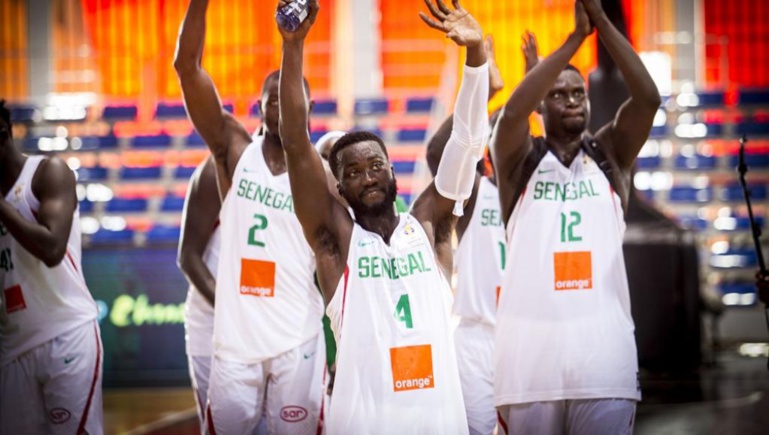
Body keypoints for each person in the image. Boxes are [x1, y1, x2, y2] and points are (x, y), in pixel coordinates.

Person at [277, 0, 488, 432]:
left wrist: (476, 58)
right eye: (352, 172)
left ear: (392, 170)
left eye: (375, 165)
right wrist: (293, 46)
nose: (368, 176)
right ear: (338, 188)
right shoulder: (336, 242)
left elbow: (467, 143)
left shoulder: (428, 224)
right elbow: (295, 142)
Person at [491, 0, 661, 433]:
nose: (570, 100)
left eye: (578, 92)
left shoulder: (609, 154)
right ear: (540, 106)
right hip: (530, 368)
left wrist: (600, 22)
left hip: (605, 363)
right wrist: (574, 40)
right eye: (557, 93)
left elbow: (648, 99)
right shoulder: (518, 160)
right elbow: (512, 114)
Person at [174, 1, 325, 433]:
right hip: (238, 338)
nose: (281, 103)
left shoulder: (322, 167)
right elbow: (187, 67)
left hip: (296, 335)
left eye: (290, 95)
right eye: (272, 98)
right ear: (259, 107)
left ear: (308, 105)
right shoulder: (236, 152)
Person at [422, 31, 540, 435]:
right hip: (476, 338)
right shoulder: (476, 193)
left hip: (529, 335)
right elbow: (438, 153)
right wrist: (485, 94)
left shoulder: (539, 188)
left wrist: (532, 91)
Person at [0, 99, 103, 434]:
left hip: (66, 335)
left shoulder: (48, 173)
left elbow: (52, 248)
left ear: (2, 134)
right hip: (13, 346)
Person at [177, 155, 220, 433]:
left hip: (270, 322)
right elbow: (188, 256)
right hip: (213, 322)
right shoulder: (217, 168)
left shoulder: (301, 169)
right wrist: (233, 311)